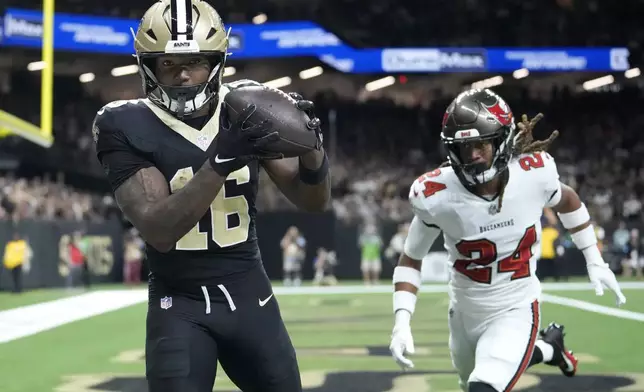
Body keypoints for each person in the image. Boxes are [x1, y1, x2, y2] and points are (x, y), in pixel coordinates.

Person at [92, 1, 330, 391]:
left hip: (249, 294)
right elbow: (159, 229)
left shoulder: (245, 106)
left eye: (197, 62)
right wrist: (221, 157)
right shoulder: (123, 122)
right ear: (147, 65)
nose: (184, 75)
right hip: (179, 304)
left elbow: (314, 202)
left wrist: (312, 148)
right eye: (169, 64)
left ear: (217, 62)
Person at [389, 88, 626, 392]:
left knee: (484, 387)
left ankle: (542, 346)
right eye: (464, 147)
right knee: (470, 382)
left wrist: (595, 259)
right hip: (463, 312)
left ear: (501, 140)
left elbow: (568, 201)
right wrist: (401, 320)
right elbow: (411, 257)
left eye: (481, 144)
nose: (473, 155)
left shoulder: (533, 174)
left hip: (515, 306)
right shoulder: (435, 195)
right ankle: (550, 348)